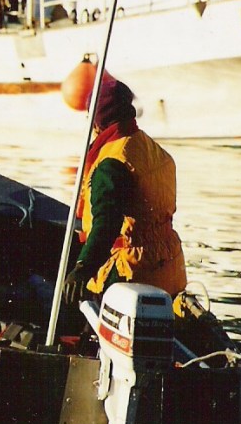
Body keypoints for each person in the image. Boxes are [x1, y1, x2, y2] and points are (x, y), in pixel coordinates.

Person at [63, 77, 187, 305]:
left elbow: (106, 224)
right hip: (169, 266)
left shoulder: (112, 161)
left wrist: (82, 269)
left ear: (97, 119)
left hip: (133, 271)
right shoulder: (151, 148)